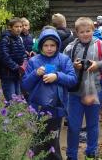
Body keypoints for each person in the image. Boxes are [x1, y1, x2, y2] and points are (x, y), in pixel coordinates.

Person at [64, 17, 102, 160]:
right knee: (74, 126)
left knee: (93, 124)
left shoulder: (101, 45)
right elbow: (62, 63)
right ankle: (71, 155)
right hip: (74, 93)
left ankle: (92, 151)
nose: (85, 34)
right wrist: (73, 66)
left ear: (93, 30)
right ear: (77, 33)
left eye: (88, 31)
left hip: (95, 91)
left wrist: (97, 65)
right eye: (82, 32)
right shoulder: (70, 47)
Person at [22, 29, 77, 159]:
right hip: (37, 107)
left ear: (57, 45)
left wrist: (57, 76)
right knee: (37, 141)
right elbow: (25, 85)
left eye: (52, 45)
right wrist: (35, 74)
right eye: (46, 45)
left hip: (56, 108)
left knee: (52, 142)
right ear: (41, 46)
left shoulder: (63, 60)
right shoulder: (34, 61)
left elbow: (73, 80)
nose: (49, 48)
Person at [0, 17, 28, 102]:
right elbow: (4, 57)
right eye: (16, 27)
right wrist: (16, 67)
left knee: (18, 99)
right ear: (10, 27)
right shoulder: (5, 39)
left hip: (17, 74)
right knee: (11, 100)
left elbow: (23, 53)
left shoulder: (19, 39)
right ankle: (10, 115)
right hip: (7, 74)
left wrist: (24, 64)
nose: (19, 29)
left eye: (20, 26)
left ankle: (17, 115)